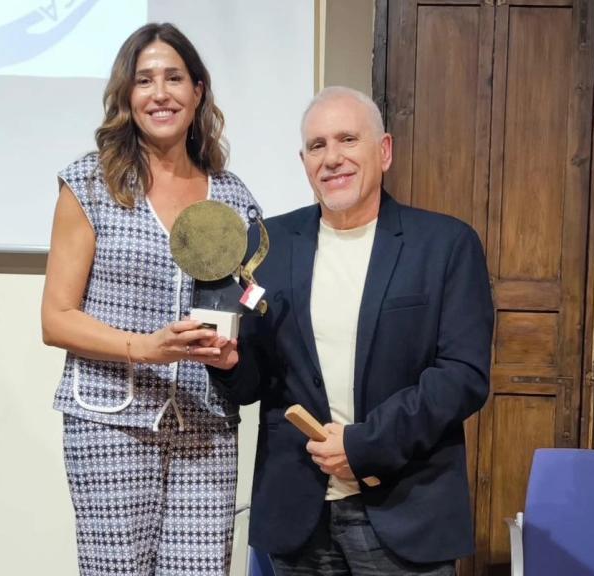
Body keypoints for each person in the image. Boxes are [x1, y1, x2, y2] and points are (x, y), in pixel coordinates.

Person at [207, 86, 494, 575]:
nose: (332, 158)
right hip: (298, 517)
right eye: (317, 145)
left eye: (347, 139)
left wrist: (364, 445)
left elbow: (463, 376)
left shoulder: (446, 244)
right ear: (303, 162)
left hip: (406, 511)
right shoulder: (267, 244)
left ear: (384, 151)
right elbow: (256, 381)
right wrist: (229, 364)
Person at [41, 23, 257, 576]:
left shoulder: (232, 196)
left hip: (205, 427)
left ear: (198, 91)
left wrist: (233, 352)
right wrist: (146, 348)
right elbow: (56, 319)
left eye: (174, 78)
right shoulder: (91, 184)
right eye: (144, 80)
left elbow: (246, 303)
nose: (160, 93)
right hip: (109, 422)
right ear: (127, 95)